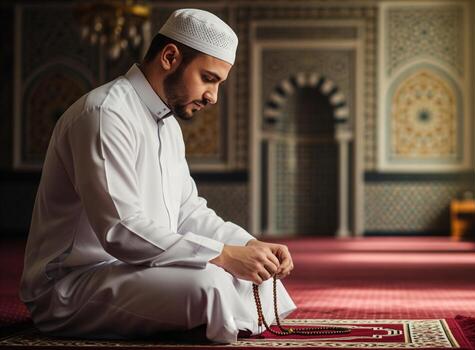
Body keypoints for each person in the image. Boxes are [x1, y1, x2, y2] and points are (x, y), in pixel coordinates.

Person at [19, 8, 296, 343]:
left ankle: (209, 322)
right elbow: (120, 229)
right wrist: (223, 255)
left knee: (258, 281)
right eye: (208, 79)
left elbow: (188, 212)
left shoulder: (167, 125)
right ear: (169, 56)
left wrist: (249, 245)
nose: (213, 97)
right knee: (209, 285)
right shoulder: (106, 113)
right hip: (73, 284)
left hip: (137, 270)